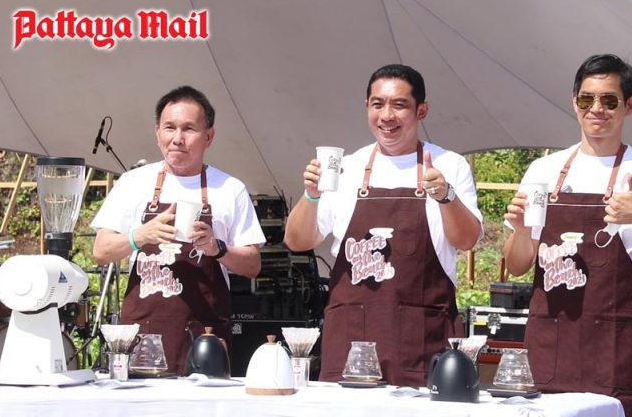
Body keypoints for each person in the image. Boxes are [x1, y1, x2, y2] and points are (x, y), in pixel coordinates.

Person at [502, 54, 632, 417]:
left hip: (616, 352)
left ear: (629, 106)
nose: (596, 109)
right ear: (573, 101)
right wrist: (520, 231)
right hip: (550, 348)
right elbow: (516, 266)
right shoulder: (543, 171)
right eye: (586, 99)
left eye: (609, 101)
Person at [284, 64, 483, 387]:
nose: (387, 116)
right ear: (367, 107)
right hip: (350, 337)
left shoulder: (449, 165)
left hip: (422, 340)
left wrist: (446, 196)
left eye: (399, 105)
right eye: (378, 104)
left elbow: (467, 239)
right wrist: (311, 194)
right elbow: (297, 240)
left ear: (421, 111)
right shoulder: (346, 168)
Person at [92, 86, 265, 375]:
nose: (177, 138)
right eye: (169, 127)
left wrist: (217, 248)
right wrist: (140, 235)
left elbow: (253, 265)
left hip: (206, 337)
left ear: (209, 136)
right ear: (157, 132)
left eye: (189, 129)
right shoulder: (133, 182)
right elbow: (101, 251)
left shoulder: (230, 189)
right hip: (143, 335)